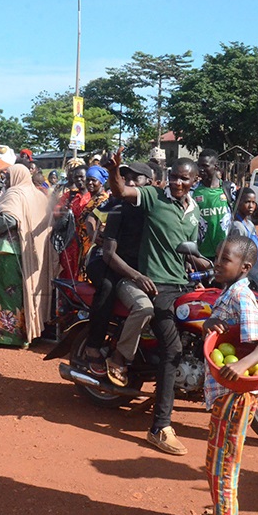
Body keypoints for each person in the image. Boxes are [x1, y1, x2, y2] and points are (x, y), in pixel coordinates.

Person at [108, 148, 209, 455]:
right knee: (173, 349)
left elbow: (184, 248)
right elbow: (122, 190)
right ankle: (160, 427)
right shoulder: (154, 197)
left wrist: (200, 260)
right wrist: (114, 170)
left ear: (195, 180)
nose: (177, 183)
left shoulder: (193, 211)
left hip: (182, 284)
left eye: (184, 178)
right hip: (157, 287)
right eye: (174, 177)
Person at [190, 235, 258, 515]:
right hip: (225, 395)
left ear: (245, 267)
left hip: (236, 395)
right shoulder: (230, 292)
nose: (217, 262)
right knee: (215, 458)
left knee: (224, 463)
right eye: (218, 256)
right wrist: (211, 321)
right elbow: (226, 326)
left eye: (226, 259)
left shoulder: (242, 296)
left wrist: (240, 366)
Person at [81, 163, 155, 387]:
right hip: (103, 260)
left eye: (136, 179)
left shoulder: (155, 208)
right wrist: (136, 276)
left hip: (131, 264)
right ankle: (94, 346)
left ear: (150, 185)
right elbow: (108, 254)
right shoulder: (117, 206)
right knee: (108, 286)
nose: (130, 183)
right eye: (127, 179)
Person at [0, 164, 56, 348]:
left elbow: (10, 219)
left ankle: (5, 336)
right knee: (22, 294)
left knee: (3, 293)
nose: (6, 180)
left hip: (7, 252)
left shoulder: (14, 194)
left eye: (8, 177)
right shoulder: (37, 194)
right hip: (28, 252)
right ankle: (25, 333)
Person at [193, 149, 235, 259]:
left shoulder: (229, 189)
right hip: (202, 255)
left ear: (215, 166)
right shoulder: (193, 192)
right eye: (199, 166)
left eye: (205, 166)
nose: (201, 170)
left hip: (226, 253)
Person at [54, 165, 90, 280]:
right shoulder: (70, 195)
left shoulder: (96, 196)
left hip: (88, 242)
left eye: (81, 177)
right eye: (76, 177)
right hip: (70, 242)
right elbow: (56, 211)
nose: (79, 180)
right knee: (68, 272)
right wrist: (62, 210)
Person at [77, 165, 110, 278]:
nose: (90, 183)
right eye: (88, 179)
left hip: (93, 249)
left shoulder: (103, 200)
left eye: (94, 180)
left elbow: (102, 228)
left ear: (101, 182)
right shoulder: (92, 200)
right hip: (84, 246)